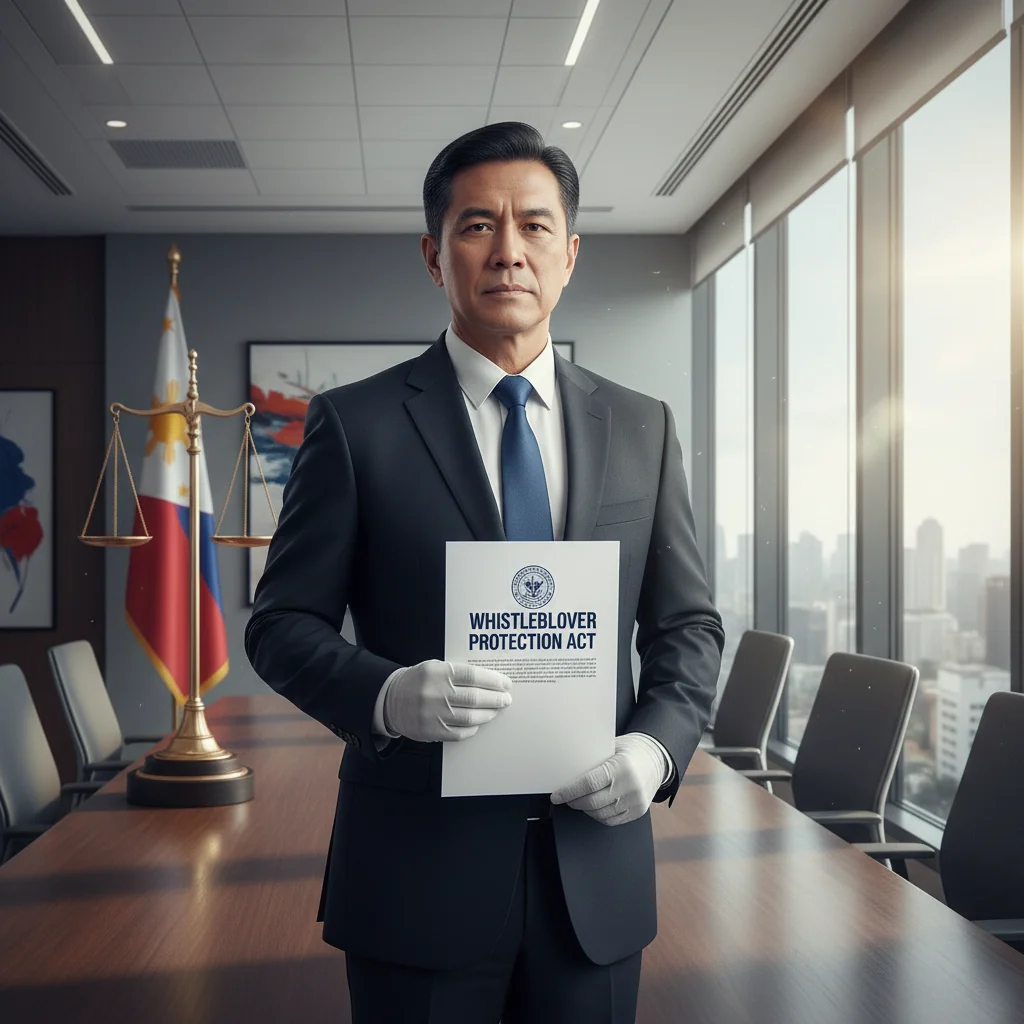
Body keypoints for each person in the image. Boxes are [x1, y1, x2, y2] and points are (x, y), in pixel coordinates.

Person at [244, 121, 724, 1023]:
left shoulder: (643, 427)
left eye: (535, 226)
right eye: (477, 226)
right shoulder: (356, 425)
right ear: (434, 255)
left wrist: (656, 750)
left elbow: (686, 628)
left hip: (598, 873)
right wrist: (389, 695)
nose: (509, 251)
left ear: (570, 253)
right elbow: (279, 627)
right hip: (414, 880)